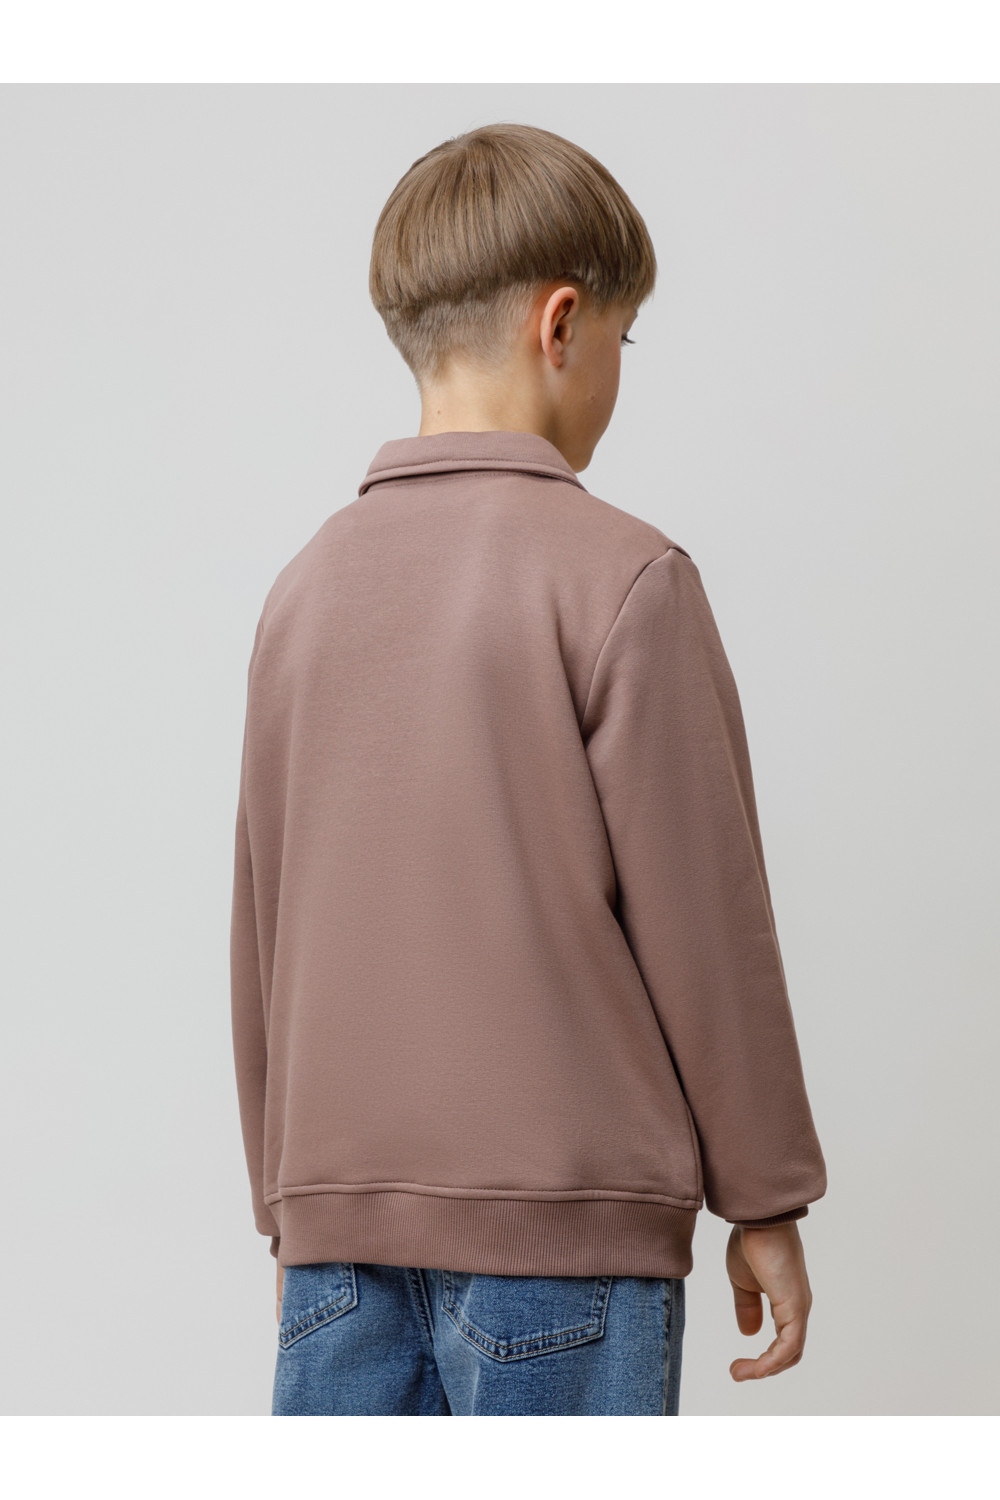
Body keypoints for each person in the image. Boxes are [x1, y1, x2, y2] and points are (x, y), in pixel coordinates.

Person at [230, 121, 828, 1417]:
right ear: (562, 325)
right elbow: (706, 920)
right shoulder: (625, 577)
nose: (619, 371)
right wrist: (766, 1194)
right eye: (625, 337)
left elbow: (266, 928)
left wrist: (290, 1207)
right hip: (568, 1234)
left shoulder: (302, 592)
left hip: (334, 1241)